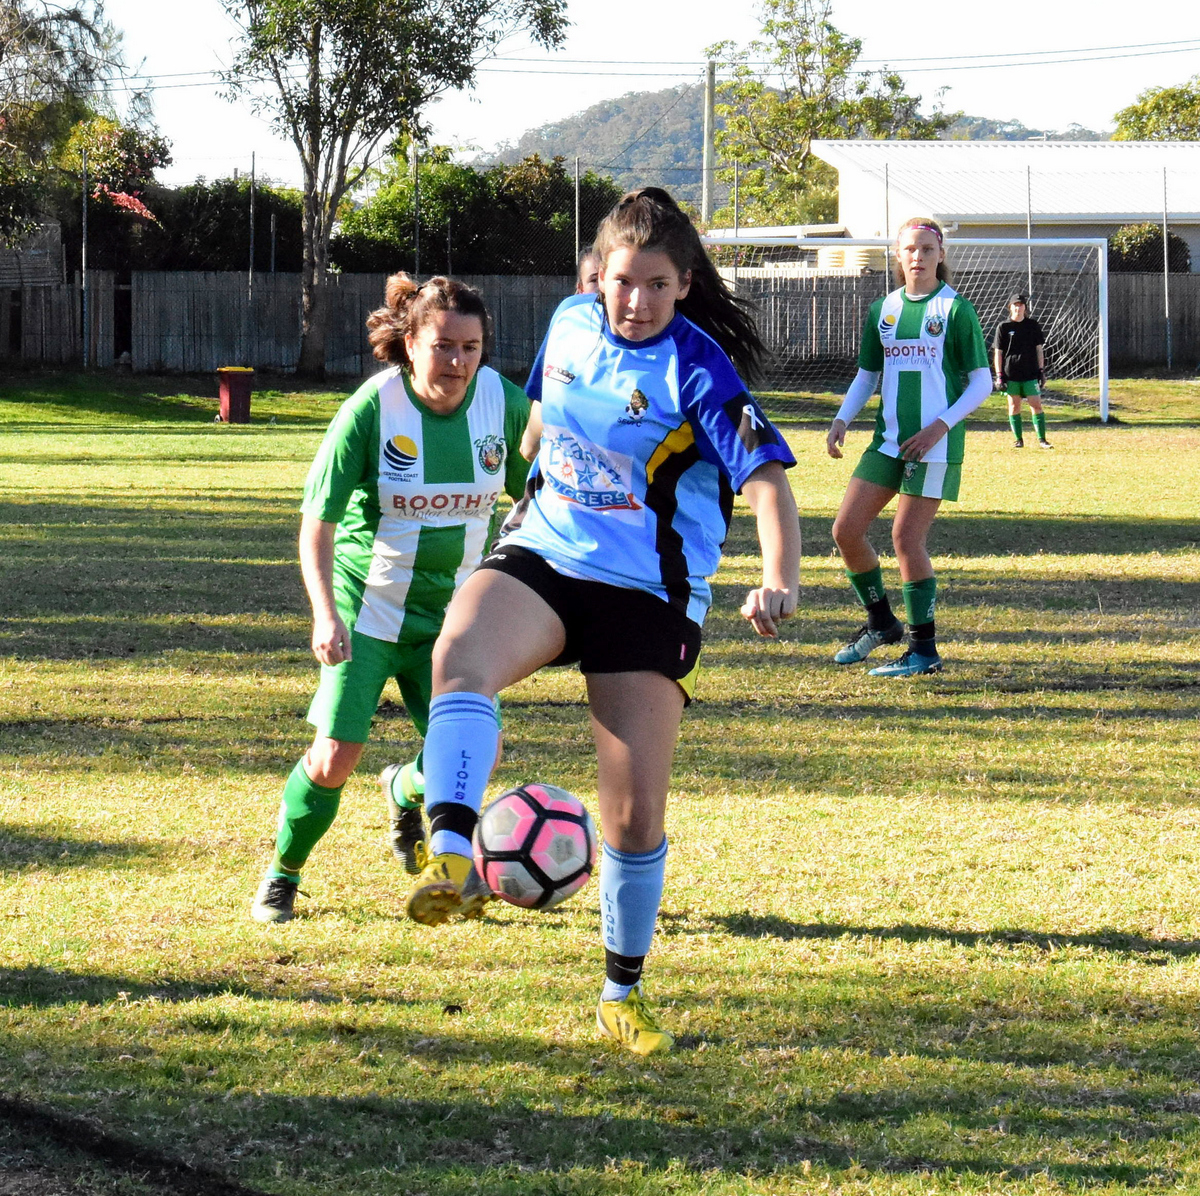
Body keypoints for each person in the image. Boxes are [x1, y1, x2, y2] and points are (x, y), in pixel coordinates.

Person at [404, 187, 801, 1055]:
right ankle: (450, 853)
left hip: (647, 594)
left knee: (633, 815)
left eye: (657, 285)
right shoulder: (572, 324)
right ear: (597, 273)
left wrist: (778, 578)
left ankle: (622, 994)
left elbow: (768, 479)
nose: (636, 301)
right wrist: (530, 467)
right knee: (459, 657)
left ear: (685, 284)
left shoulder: (698, 370)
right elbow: (543, 418)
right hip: (546, 555)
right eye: (623, 281)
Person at [250, 274, 531, 923]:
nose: (458, 362)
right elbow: (315, 523)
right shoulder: (372, 410)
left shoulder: (504, 405)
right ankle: (282, 875)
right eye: (443, 346)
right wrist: (324, 613)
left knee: (467, 755)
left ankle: (404, 789)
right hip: (366, 611)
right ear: (410, 344)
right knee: (331, 760)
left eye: (471, 347)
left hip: (454, 620)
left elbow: (539, 494)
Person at [826, 217, 991, 677]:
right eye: (909, 249)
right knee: (845, 531)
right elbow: (867, 374)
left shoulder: (956, 310)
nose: (917, 256)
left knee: (905, 538)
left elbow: (982, 383)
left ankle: (924, 650)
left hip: (933, 444)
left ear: (940, 255)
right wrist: (842, 418)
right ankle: (881, 622)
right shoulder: (884, 309)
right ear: (897, 256)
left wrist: (940, 426)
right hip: (889, 442)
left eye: (926, 248)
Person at [518, 244, 602, 463]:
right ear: (579, 289)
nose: (603, 290)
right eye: (595, 280)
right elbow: (530, 446)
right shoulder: (568, 324)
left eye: (617, 279)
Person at [994, 293, 1050, 448]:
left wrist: (1041, 370)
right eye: (1015, 305)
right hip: (1011, 374)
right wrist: (999, 375)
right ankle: (1018, 440)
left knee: (1036, 405)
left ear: (1025, 307)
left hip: (1030, 373)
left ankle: (1042, 439)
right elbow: (998, 352)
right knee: (1014, 406)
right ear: (1010, 307)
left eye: (1021, 305)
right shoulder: (1003, 327)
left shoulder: (1032, 325)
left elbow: (1039, 349)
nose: (1018, 307)